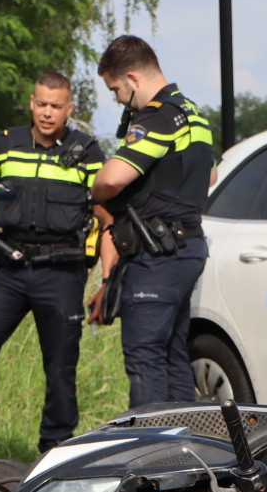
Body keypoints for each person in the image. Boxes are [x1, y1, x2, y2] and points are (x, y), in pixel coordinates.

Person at [0, 71, 107, 456]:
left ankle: (55, 453)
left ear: (69, 108)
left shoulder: (87, 150)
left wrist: (108, 279)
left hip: (62, 272)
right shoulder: (5, 144)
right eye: (41, 104)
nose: (47, 113)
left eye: (56, 106)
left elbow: (106, 218)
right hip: (10, 272)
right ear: (31, 104)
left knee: (60, 369)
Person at [90, 35, 214, 408]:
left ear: (133, 78)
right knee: (173, 353)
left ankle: (150, 441)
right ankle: (183, 438)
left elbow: (112, 178)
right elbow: (210, 175)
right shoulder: (193, 112)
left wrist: (95, 188)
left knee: (145, 355)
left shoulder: (158, 116)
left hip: (158, 253)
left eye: (116, 90)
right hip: (185, 246)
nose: (118, 100)